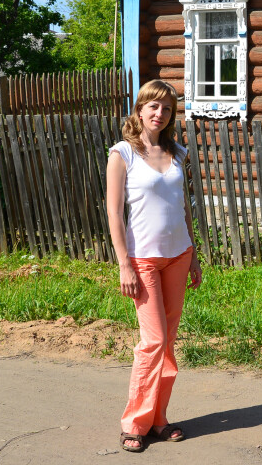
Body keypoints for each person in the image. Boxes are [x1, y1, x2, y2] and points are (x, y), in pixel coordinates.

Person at [106, 79, 203, 453]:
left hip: (178, 255)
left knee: (169, 342)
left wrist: (192, 253)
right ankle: (134, 423)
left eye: (166, 108)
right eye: (153, 106)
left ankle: (158, 419)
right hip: (142, 259)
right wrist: (123, 264)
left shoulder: (177, 152)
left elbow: (183, 208)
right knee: (154, 341)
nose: (159, 114)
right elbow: (115, 214)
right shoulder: (123, 154)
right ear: (139, 109)